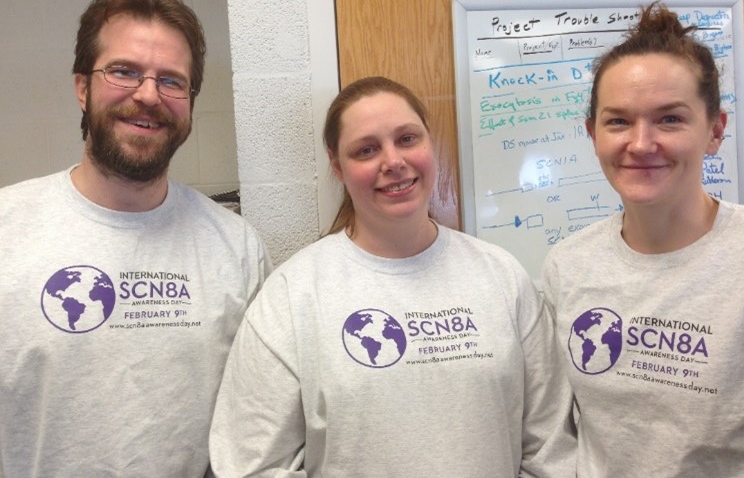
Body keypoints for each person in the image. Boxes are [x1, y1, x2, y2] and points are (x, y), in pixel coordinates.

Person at [209, 76, 576, 477]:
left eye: (406, 139)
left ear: (429, 143)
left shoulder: (501, 277)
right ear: (337, 166)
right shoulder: (293, 295)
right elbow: (250, 463)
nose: (393, 161)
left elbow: (551, 446)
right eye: (367, 149)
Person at [0, 0, 271, 477]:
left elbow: (254, 429)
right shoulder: (7, 230)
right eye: (124, 71)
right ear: (83, 87)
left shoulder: (236, 248)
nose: (148, 95)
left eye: (171, 81)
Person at [542, 3, 744, 476]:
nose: (640, 143)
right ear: (592, 133)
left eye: (670, 119)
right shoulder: (568, 265)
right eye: (618, 121)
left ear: (715, 130)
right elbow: (558, 432)